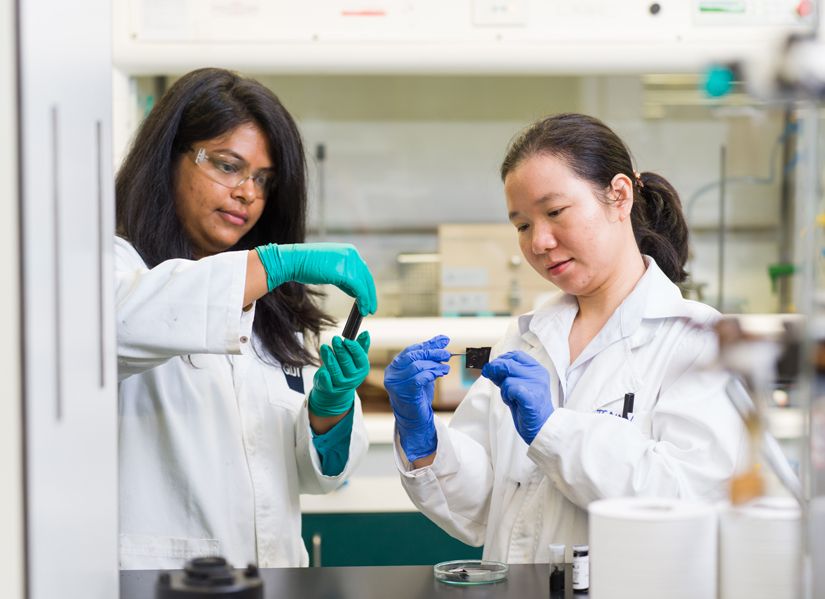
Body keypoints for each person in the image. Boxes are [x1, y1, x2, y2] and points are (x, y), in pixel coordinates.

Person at [384, 113, 746, 563]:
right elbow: (479, 510)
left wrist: (555, 432)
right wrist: (424, 438)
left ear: (619, 196)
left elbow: (688, 498)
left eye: (554, 212)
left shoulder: (697, 342)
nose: (539, 241)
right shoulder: (524, 338)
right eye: (521, 225)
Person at [115, 68, 377, 569]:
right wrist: (275, 264)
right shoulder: (117, 266)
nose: (248, 193)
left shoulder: (277, 311)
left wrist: (329, 413)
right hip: (162, 578)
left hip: (276, 575)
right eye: (229, 166)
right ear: (168, 157)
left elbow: (312, 477)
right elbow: (116, 330)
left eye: (263, 179)